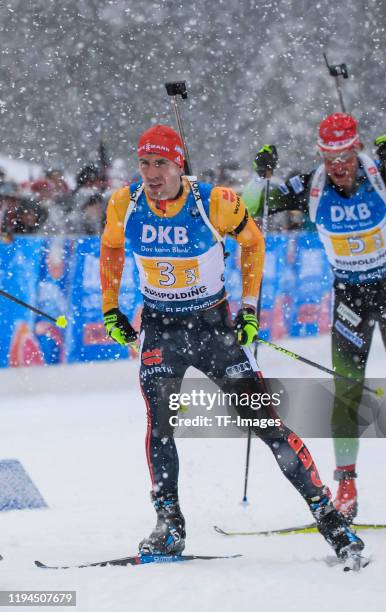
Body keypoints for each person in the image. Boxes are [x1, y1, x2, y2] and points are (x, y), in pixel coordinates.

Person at [99, 123, 364, 562]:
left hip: (212, 330)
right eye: (144, 162)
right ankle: (169, 524)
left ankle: (330, 519)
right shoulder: (124, 203)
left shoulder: (214, 202)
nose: (150, 172)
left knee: (266, 426)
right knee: (160, 426)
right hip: (161, 331)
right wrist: (111, 311)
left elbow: (253, 243)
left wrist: (248, 310)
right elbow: (111, 249)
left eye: (160, 163)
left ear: (178, 165)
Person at [245, 113, 386, 521]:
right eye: (330, 155)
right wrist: (259, 175)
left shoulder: (381, 176)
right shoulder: (310, 186)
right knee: (347, 391)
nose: (338, 165)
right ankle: (346, 483)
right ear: (321, 153)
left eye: (344, 154)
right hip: (351, 298)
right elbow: (250, 206)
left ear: (356, 148)